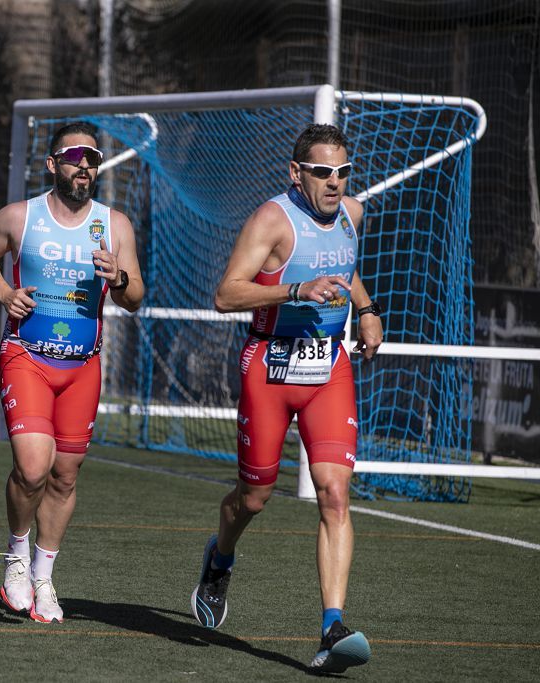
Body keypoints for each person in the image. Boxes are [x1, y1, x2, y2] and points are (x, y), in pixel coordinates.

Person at [189, 123, 383, 673]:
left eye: (343, 172)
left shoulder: (354, 214)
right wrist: (293, 290)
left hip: (329, 366)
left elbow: (343, 266)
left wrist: (365, 310)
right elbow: (227, 293)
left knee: (334, 494)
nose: (335, 182)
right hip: (270, 364)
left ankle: (332, 627)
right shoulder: (272, 220)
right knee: (253, 498)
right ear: (296, 173)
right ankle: (219, 559)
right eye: (323, 172)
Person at [0, 122, 145, 624]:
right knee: (31, 468)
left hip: (82, 366)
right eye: (73, 157)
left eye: (92, 158)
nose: (84, 165)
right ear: (53, 165)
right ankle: (15, 558)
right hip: (26, 356)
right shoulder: (20, 217)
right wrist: (6, 294)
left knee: (64, 477)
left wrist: (121, 277)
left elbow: (134, 300)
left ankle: (44, 578)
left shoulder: (115, 226)